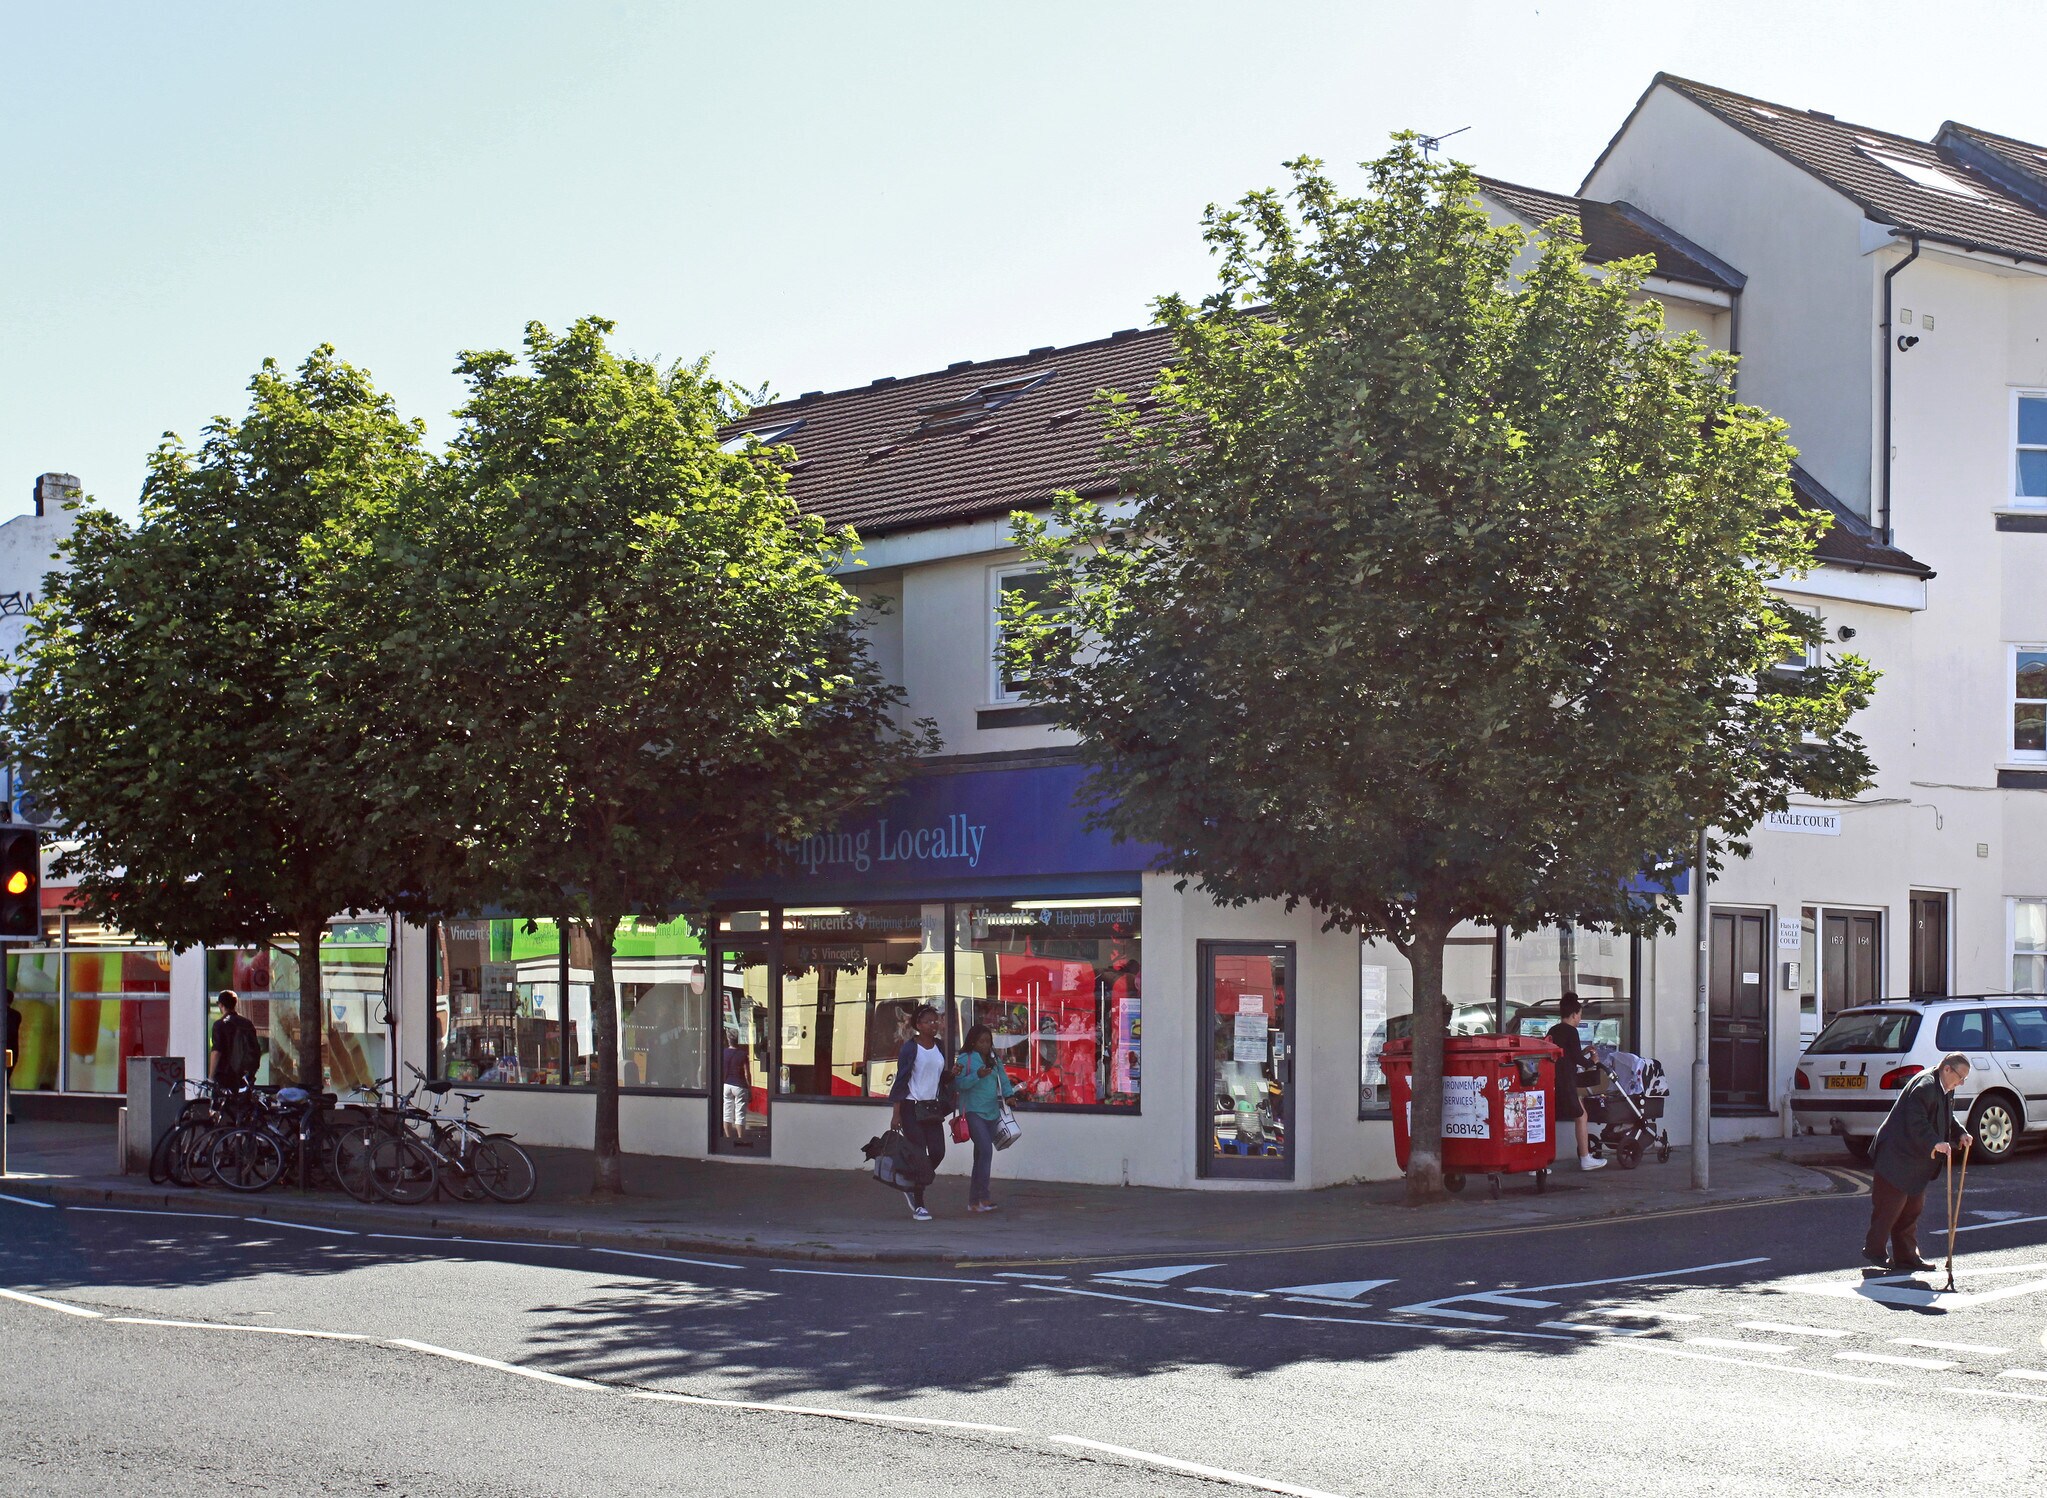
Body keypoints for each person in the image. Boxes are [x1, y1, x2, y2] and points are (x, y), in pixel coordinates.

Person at [1865, 1050, 1973, 1272]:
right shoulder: (1925, 1086)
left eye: (1965, 1079)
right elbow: (1915, 1120)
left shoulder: (1945, 1086)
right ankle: (1874, 1251)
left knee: (1912, 1207)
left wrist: (1960, 1133)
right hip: (1896, 1155)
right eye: (1961, 1077)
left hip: (1915, 1158)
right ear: (1947, 1069)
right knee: (1889, 1207)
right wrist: (1935, 1142)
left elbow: (1945, 1114)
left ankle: (1907, 1256)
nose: (1961, 1083)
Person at [888, 1004, 956, 1221]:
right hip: (911, 1107)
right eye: (929, 1021)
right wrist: (896, 1113)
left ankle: (913, 1181)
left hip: (932, 1107)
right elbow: (901, 1080)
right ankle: (919, 1204)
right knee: (918, 1154)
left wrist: (952, 1074)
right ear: (918, 1025)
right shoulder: (910, 1048)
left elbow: (939, 1078)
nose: (934, 1025)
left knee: (937, 1152)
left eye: (936, 1020)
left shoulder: (939, 1046)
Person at [955, 1023, 1016, 1212]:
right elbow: (958, 1084)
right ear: (973, 1042)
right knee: (986, 1152)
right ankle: (984, 1197)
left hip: (992, 1111)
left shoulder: (994, 1058)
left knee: (980, 1156)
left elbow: (1003, 1079)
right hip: (973, 1111)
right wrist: (977, 1075)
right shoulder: (965, 1059)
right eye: (981, 1041)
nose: (985, 1045)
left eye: (988, 1041)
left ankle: (974, 1202)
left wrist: (1009, 1095)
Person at [1547, 993, 1604, 1172]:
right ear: (1573, 1014)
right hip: (1566, 1082)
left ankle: (1539, 1162)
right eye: (1580, 1015)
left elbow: (1567, 1054)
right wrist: (1592, 1061)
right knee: (1581, 1115)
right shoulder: (1572, 1031)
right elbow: (1578, 1060)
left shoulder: (1553, 1030)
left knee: (1547, 1120)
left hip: (1552, 1081)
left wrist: (1583, 1052)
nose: (1580, 1019)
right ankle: (1586, 1158)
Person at [210, 990, 261, 1089]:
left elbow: (216, 1052)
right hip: (245, 1076)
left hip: (225, 1075)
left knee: (221, 1099)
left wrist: (211, 1077)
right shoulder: (247, 1023)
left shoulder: (220, 1024)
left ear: (221, 1005)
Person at [721, 1029, 754, 1147]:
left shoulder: (723, 1053)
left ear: (728, 1039)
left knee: (727, 1113)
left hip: (727, 1085)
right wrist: (750, 1088)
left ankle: (728, 1139)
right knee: (740, 1115)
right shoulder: (743, 1054)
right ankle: (740, 1140)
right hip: (740, 1085)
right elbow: (747, 1073)